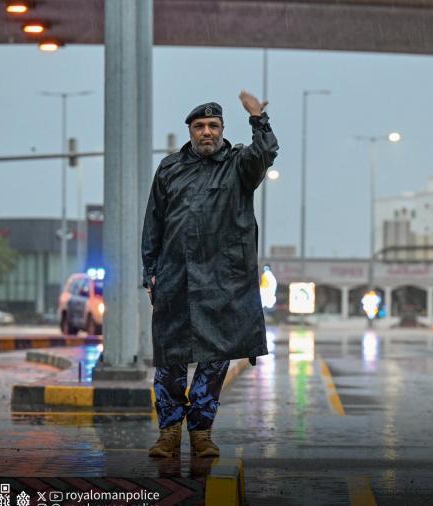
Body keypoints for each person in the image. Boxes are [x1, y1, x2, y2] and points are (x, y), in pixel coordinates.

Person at [142, 91, 278, 458]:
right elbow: (153, 222)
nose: (206, 132)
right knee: (169, 359)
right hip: (175, 279)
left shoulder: (239, 165)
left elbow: (266, 152)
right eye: (199, 126)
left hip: (222, 282)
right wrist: (150, 271)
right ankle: (168, 432)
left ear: (222, 130)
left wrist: (257, 119)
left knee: (215, 359)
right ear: (189, 130)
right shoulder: (170, 168)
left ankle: (201, 432)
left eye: (213, 126)